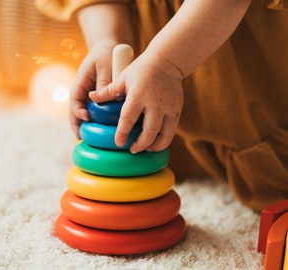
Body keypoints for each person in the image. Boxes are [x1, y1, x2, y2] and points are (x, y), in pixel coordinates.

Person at [35, 0, 288, 211]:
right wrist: (107, 42)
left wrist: (165, 63)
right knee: (143, 147)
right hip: (148, 63)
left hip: (240, 76)